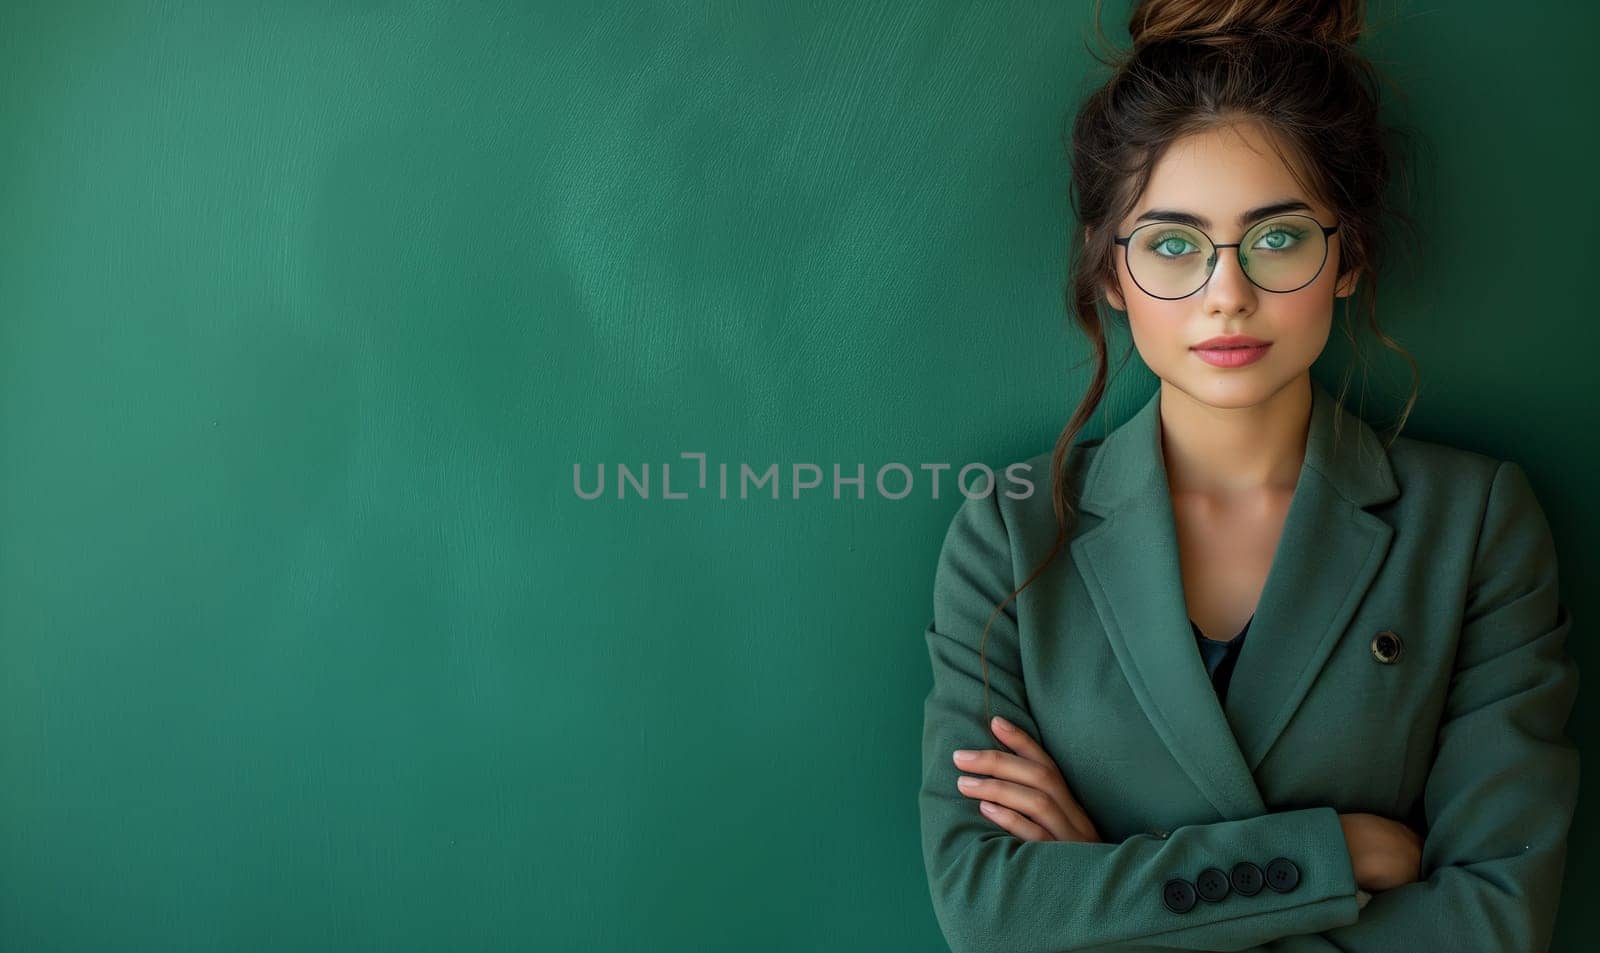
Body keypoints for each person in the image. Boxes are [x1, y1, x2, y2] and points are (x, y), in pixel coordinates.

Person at [916, 1, 1580, 951]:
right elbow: (988, 911)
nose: (1227, 294)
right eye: (1173, 245)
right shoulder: (1014, 528)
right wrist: (1327, 860)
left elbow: (1494, 922)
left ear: (1345, 255)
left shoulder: (1472, 523)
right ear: (1111, 273)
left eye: (1277, 238)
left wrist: (1108, 888)